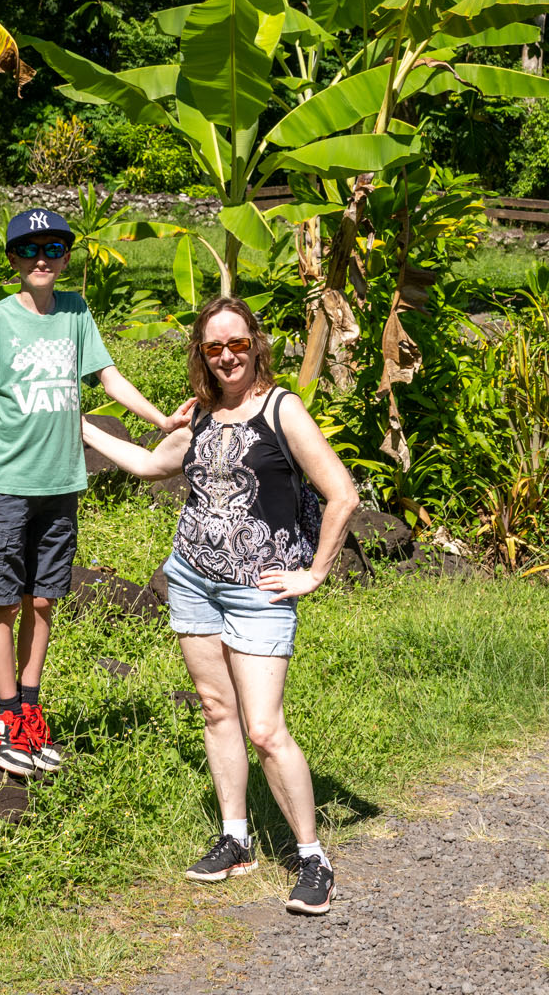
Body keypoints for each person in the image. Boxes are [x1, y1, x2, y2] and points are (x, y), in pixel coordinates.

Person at [81, 294, 359, 917]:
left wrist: (314, 574)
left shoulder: (282, 409)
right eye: (214, 347)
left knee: (264, 728)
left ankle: (312, 857)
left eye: (237, 343)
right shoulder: (203, 414)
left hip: (259, 591)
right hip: (192, 579)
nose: (227, 356)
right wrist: (81, 427)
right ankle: (236, 840)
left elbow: (342, 494)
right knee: (215, 709)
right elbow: (150, 464)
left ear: (255, 345)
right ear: (201, 354)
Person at [0, 205, 192, 778]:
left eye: (53, 250)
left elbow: (108, 379)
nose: (41, 260)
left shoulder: (76, 312)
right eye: (29, 250)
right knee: (2, 602)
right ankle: (6, 718)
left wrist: (162, 420)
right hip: (6, 485)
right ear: (13, 258)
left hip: (62, 483)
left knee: (43, 600)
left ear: (65, 258)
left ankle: (31, 710)